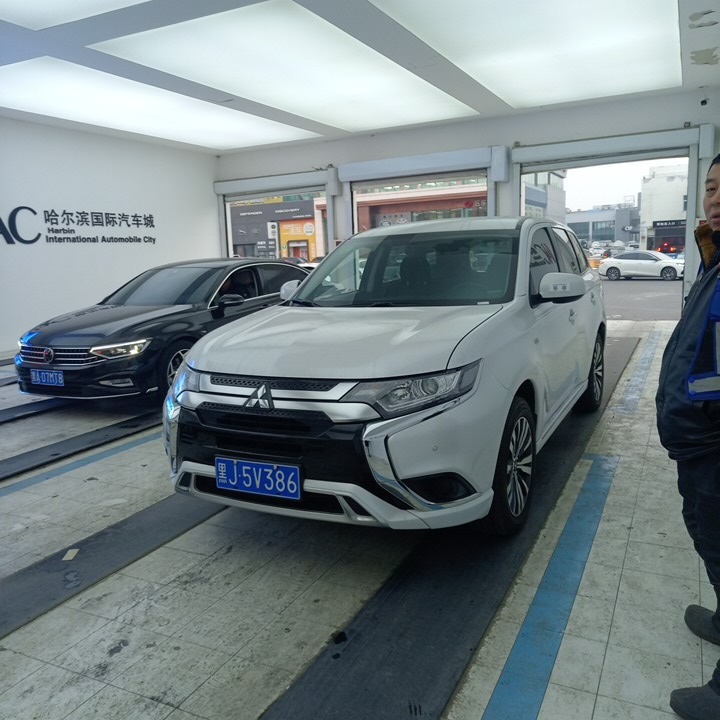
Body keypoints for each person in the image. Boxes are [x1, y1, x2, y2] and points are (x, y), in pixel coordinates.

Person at [655, 153, 720, 720]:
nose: (716, 199)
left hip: (716, 445)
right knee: (707, 536)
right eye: (712, 187)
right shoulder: (714, 261)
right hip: (698, 444)